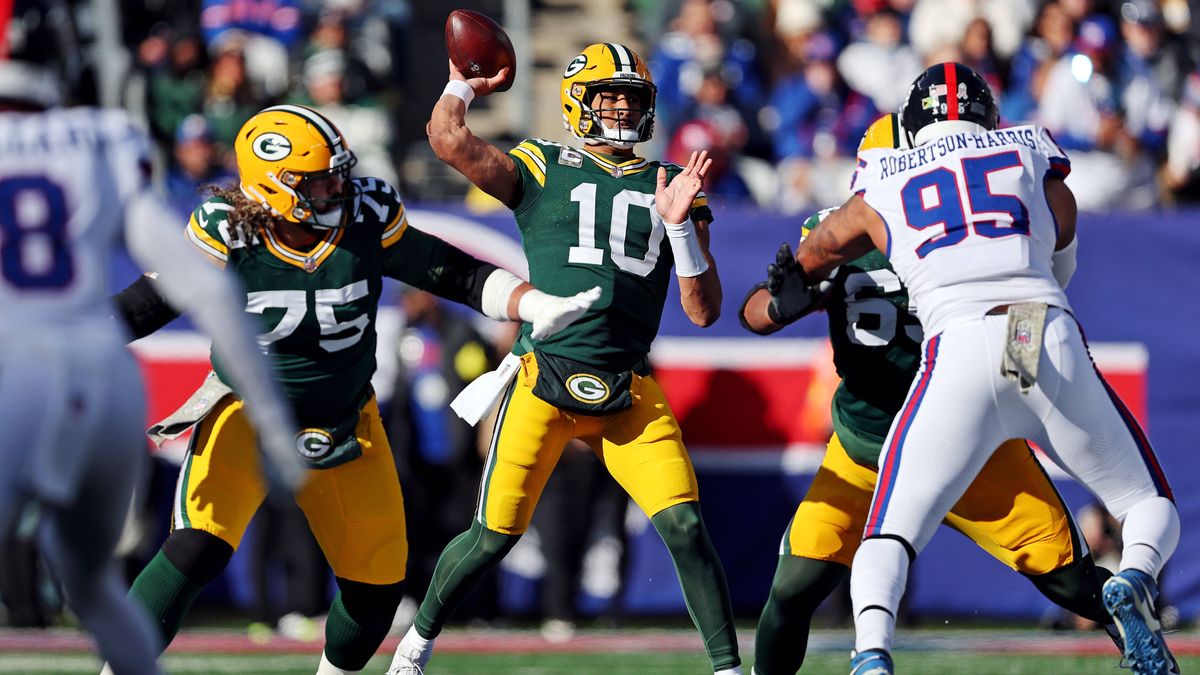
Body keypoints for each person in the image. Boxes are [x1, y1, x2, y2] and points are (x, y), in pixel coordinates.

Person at [109, 103, 600, 675]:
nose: (336, 188)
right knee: (196, 547)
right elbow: (146, 305)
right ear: (273, 185)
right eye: (318, 181)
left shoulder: (364, 215)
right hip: (246, 411)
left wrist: (532, 303)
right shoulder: (230, 228)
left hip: (344, 418)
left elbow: (453, 271)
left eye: (338, 173)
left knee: (375, 591)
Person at [785, 62, 1179, 675]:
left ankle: (871, 652)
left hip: (958, 346)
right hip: (1034, 326)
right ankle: (1135, 575)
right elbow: (1060, 256)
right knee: (1146, 501)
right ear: (990, 117)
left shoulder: (884, 177)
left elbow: (812, 253)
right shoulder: (1028, 150)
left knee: (889, 533)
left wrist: (800, 276)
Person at [390, 43, 743, 675]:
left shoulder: (670, 184)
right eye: (609, 96)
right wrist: (461, 86)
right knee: (491, 537)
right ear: (578, 101)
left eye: (632, 98)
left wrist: (683, 229)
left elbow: (702, 310)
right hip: (542, 379)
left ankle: (727, 670)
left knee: (687, 528)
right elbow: (448, 141)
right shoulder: (542, 165)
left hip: (628, 389)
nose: (621, 108)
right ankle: (415, 646)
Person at [0, 2, 304, 673]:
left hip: (14, 373)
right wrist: (276, 427)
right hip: (103, 378)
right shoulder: (103, 138)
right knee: (96, 589)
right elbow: (204, 287)